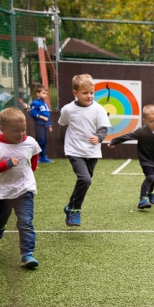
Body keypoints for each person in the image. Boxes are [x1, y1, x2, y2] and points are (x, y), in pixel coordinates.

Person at [0, 108, 42, 268]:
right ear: (3, 129)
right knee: (0, 219)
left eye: (23, 130)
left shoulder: (30, 142)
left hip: (24, 189)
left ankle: (27, 254)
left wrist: (31, 170)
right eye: (16, 131)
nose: (21, 134)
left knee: (25, 221)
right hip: (3, 192)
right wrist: (6, 164)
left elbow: (34, 154)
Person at [58, 74, 111, 227]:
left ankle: (69, 206)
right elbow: (62, 126)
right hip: (74, 150)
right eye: (85, 93)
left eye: (91, 93)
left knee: (85, 181)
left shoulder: (98, 109)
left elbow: (103, 129)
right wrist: (66, 144)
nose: (89, 96)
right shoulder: (67, 109)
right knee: (85, 179)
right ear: (75, 93)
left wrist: (99, 138)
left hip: (92, 151)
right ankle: (75, 210)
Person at [108, 105, 154, 209]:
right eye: (151, 121)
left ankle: (150, 192)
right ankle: (142, 199)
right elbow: (127, 136)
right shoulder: (141, 132)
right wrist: (114, 141)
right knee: (150, 177)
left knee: (153, 178)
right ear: (145, 121)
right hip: (145, 159)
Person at [29, 85, 53, 163]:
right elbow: (32, 113)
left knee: (44, 141)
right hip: (39, 124)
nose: (45, 95)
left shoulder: (44, 104)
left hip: (45, 125)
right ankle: (36, 157)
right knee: (40, 140)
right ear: (37, 93)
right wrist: (41, 117)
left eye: (46, 93)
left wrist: (49, 125)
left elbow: (47, 115)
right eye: (43, 93)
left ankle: (43, 157)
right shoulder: (35, 103)